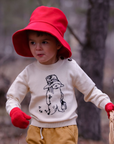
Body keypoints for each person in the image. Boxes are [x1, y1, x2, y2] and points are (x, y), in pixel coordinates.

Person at [6, 6, 114, 144]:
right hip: (37, 130)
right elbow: (12, 96)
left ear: (58, 43)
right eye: (32, 42)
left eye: (44, 42)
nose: (37, 47)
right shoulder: (29, 72)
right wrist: (14, 111)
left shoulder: (70, 67)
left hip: (65, 130)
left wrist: (106, 103)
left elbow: (90, 90)